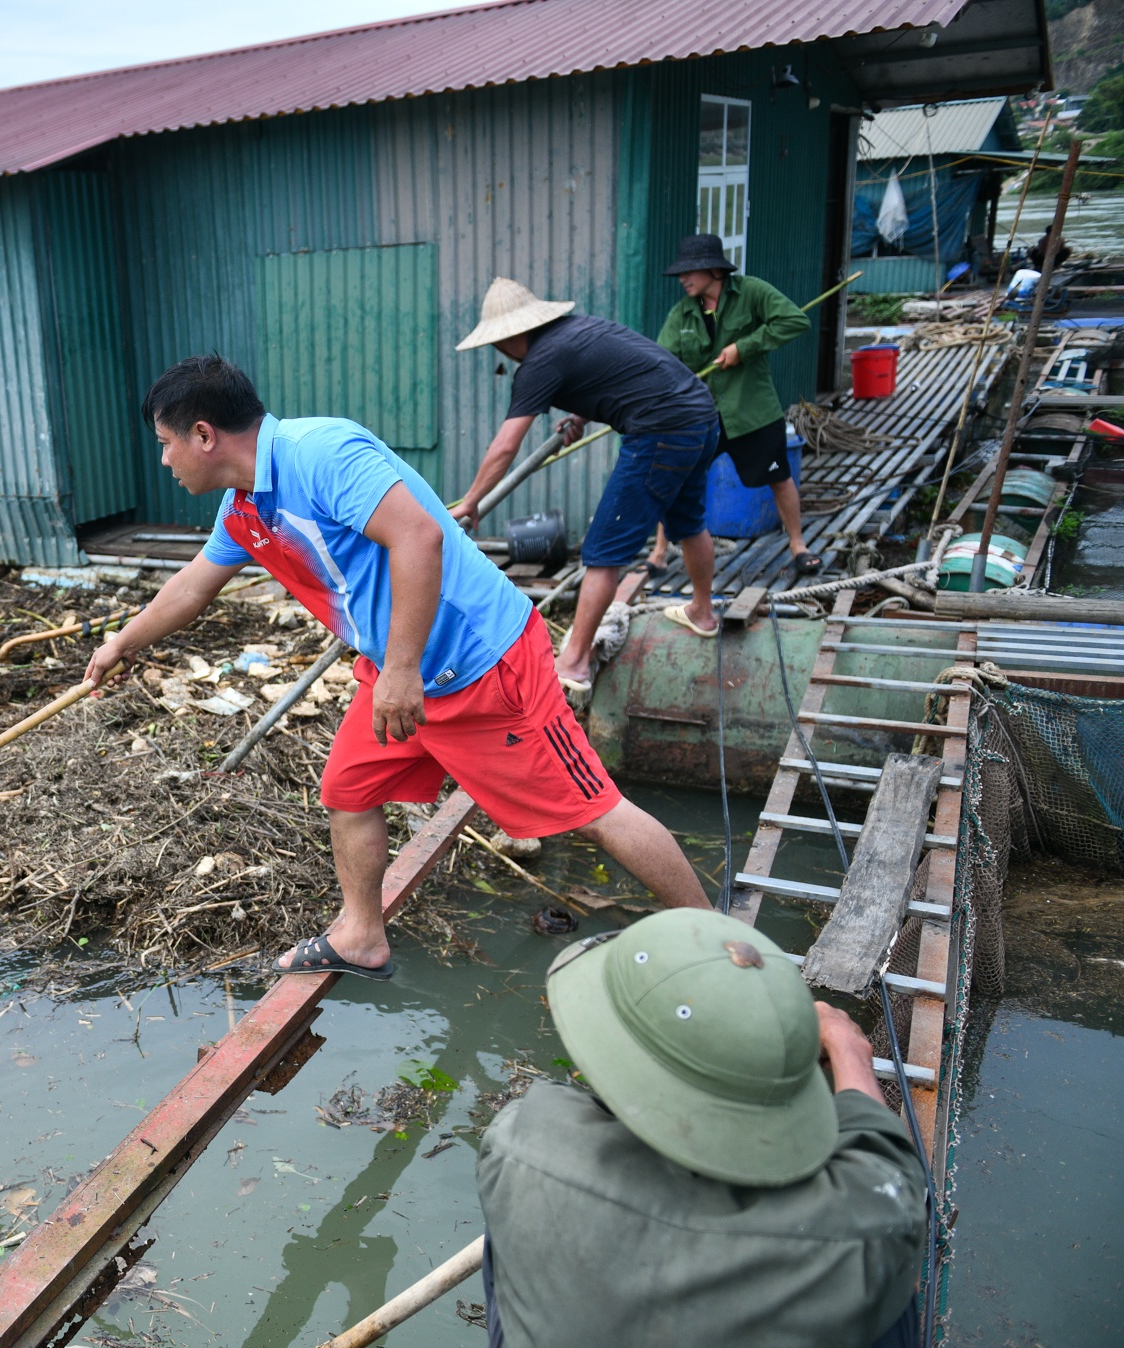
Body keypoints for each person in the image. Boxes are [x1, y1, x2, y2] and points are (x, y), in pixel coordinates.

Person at [83, 356, 708, 979]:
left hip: (480, 663)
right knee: (349, 790)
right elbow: (192, 586)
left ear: (203, 434)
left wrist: (402, 673)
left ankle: (719, 944)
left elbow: (418, 537)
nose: (164, 460)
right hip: (401, 671)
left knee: (592, 810)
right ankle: (362, 935)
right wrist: (121, 644)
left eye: (165, 443)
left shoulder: (320, 453)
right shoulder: (243, 507)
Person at [477, 908, 930, 1348]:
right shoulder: (862, 1230)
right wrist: (850, 1052)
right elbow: (889, 1171)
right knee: (887, 1290)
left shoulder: (519, 1141)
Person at [455, 279, 722, 695]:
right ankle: (703, 613)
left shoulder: (538, 363)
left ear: (509, 337)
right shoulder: (578, 329)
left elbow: (506, 445)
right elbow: (619, 374)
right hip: (701, 416)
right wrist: (580, 415)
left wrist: (472, 501)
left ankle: (574, 661)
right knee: (688, 521)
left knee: (604, 547)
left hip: (661, 430)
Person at [652, 233, 818, 578]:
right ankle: (658, 553)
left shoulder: (751, 291)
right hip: (701, 417)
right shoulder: (682, 314)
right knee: (675, 478)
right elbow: (662, 361)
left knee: (779, 477)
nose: (683, 279)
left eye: (690, 271)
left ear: (714, 270)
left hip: (752, 411)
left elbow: (795, 321)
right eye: (680, 272)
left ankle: (798, 545)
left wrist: (745, 347)